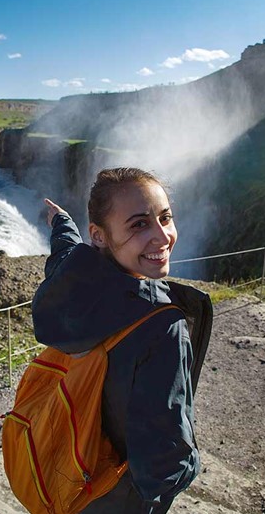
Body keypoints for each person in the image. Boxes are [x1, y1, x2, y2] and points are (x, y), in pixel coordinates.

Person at [32, 167, 209, 512]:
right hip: (115, 494)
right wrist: (188, 468)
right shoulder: (162, 326)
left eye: (165, 217)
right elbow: (162, 459)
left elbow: (65, 254)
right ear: (98, 235)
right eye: (139, 224)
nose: (162, 236)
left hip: (69, 473)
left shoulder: (74, 285)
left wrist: (61, 222)